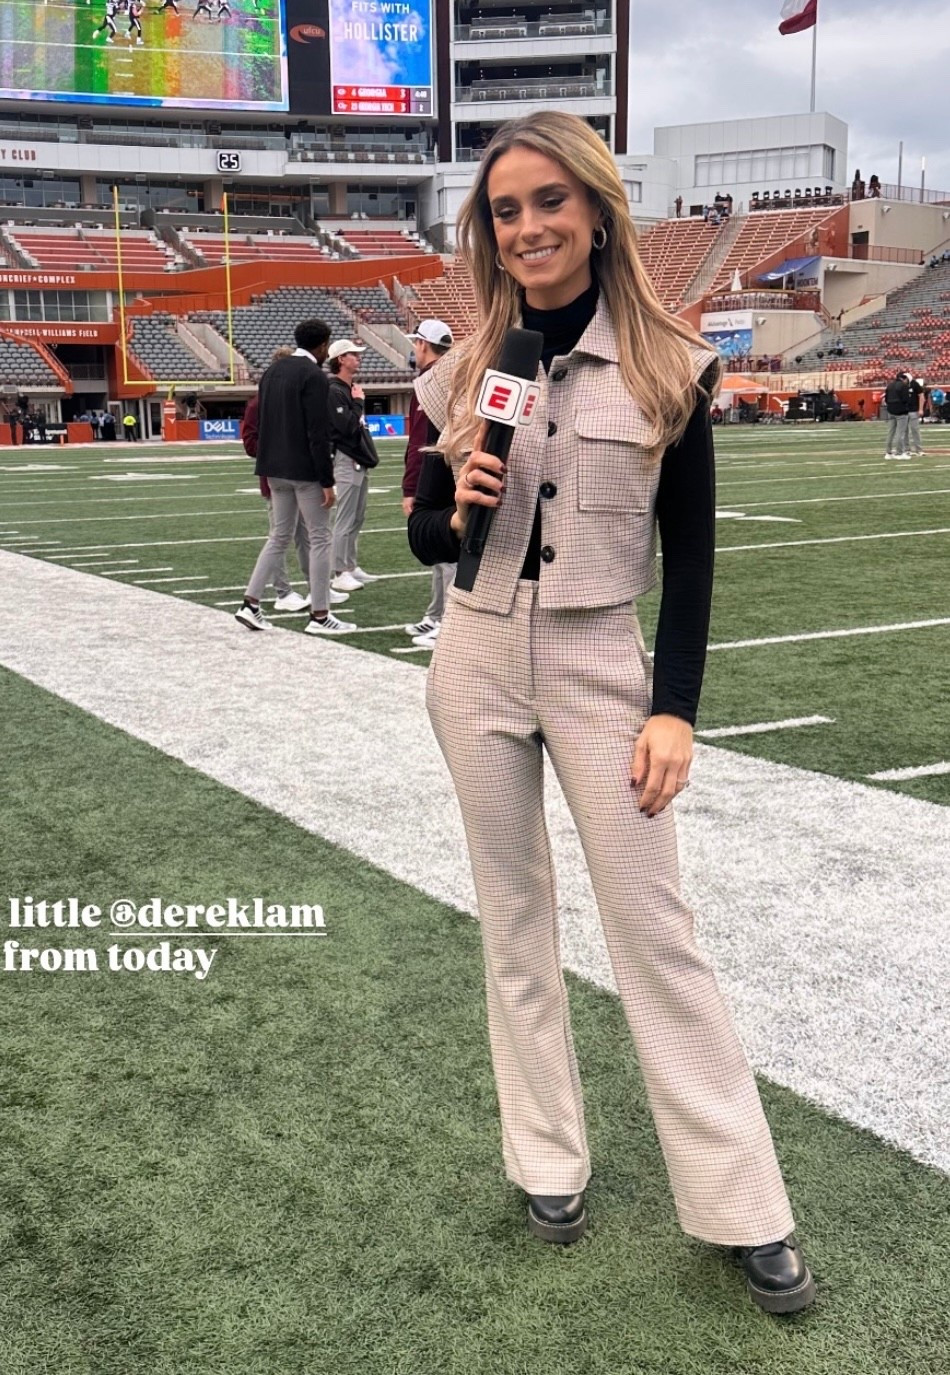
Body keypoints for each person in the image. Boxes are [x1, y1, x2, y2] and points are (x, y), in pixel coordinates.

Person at [407, 111, 815, 1314]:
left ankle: (742, 1204)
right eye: (504, 209)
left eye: (547, 203)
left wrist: (673, 709)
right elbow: (424, 531)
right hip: (474, 658)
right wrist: (460, 499)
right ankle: (546, 1160)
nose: (526, 227)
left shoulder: (668, 358)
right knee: (512, 916)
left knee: (654, 930)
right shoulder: (463, 362)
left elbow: (687, 558)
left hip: (597, 663)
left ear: (592, 210)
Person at [236, 318, 354, 634]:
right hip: (303, 468)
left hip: (273, 468)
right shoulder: (314, 375)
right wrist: (326, 480)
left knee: (278, 536)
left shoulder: (272, 372)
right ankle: (319, 614)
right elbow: (317, 431)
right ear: (323, 345)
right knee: (319, 537)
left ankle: (251, 602)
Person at [402, 319, 455, 647]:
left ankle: (448, 624)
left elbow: (423, 442)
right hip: (446, 471)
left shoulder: (433, 380)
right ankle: (436, 614)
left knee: (445, 554)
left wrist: (411, 487)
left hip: (437, 474)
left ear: (423, 344)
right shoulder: (447, 376)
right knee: (440, 554)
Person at [327, 339, 380, 593]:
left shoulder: (348, 388)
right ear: (340, 359)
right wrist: (358, 402)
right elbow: (346, 427)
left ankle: (349, 564)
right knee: (345, 517)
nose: (358, 358)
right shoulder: (334, 390)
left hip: (357, 458)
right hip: (346, 458)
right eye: (353, 355)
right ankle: (339, 571)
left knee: (357, 516)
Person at [883, 371, 911, 458]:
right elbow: (906, 399)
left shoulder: (890, 385)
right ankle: (899, 453)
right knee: (900, 433)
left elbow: (886, 399)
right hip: (901, 412)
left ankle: (888, 452)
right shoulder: (903, 386)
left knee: (890, 432)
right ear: (904, 378)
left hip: (891, 411)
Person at [905, 374, 924, 455]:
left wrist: (920, 409)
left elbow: (921, 396)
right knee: (904, 431)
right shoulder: (901, 385)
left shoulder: (914, 384)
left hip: (913, 410)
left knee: (915, 430)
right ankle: (906, 449)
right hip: (903, 411)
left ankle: (919, 449)